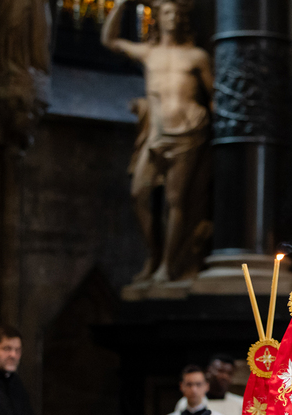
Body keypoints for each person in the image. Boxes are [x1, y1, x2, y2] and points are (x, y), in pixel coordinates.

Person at [102, 0, 213, 283]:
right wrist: (121, 5)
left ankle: (168, 265)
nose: (172, 17)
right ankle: (154, 254)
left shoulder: (196, 56)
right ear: (158, 18)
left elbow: (213, 96)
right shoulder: (149, 52)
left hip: (188, 132)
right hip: (156, 134)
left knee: (175, 201)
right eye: (166, 12)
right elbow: (110, 40)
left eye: (176, 13)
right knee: (139, 194)